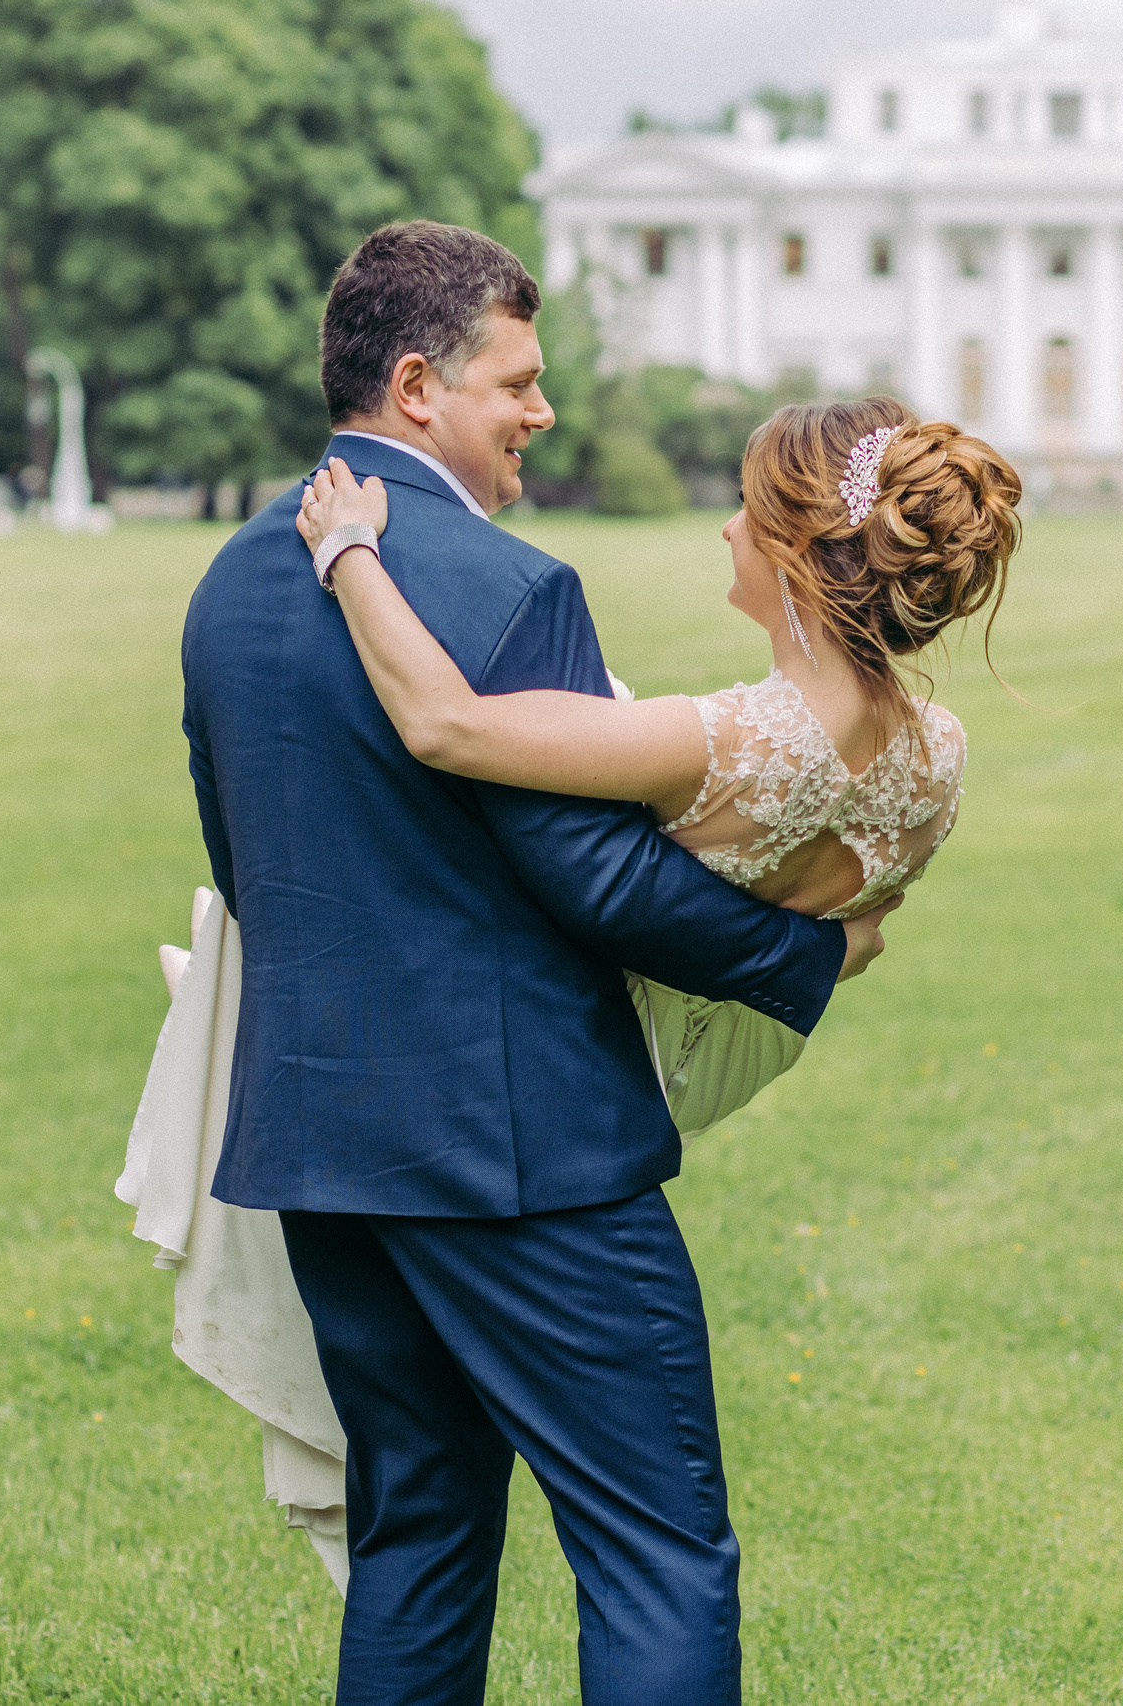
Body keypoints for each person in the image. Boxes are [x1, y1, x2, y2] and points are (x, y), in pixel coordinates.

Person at [179, 220, 895, 1706]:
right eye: (522, 380)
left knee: (419, 1531)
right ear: (422, 382)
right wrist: (806, 951)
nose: (544, 410)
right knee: (656, 1542)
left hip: (323, 1146)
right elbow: (603, 879)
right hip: (522, 1158)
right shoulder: (512, 585)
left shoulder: (233, 586)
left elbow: (251, 867)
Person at [291, 394, 1020, 1134]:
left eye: (746, 505)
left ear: (795, 547)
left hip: (577, 1071)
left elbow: (444, 724)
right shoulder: (940, 756)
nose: (728, 525)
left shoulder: (728, 742)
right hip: (712, 1076)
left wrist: (348, 549)